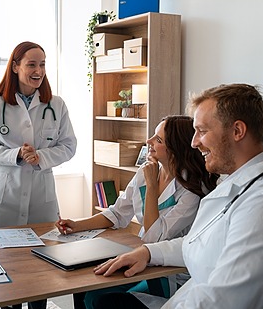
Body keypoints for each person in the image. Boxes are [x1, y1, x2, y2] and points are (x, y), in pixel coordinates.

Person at [92, 83, 263, 309]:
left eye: (202, 131)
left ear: (237, 131)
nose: (194, 142)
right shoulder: (236, 184)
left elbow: (226, 299)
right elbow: (198, 243)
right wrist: (148, 252)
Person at [56, 115, 219, 309]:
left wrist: (151, 186)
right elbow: (117, 213)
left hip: (170, 272)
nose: (148, 141)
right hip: (142, 256)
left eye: (158, 140)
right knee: (86, 287)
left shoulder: (191, 189)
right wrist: (77, 225)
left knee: (99, 299)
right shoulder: (146, 170)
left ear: (176, 149)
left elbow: (154, 236)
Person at [0, 41, 77, 309]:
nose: (38, 70)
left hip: (41, 199)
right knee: (8, 274)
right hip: (6, 200)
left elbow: (69, 146)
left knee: (40, 275)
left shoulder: (55, 104)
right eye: (31, 64)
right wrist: (16, 155)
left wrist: (41, 157)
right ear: (15, 67)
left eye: (42, 64)